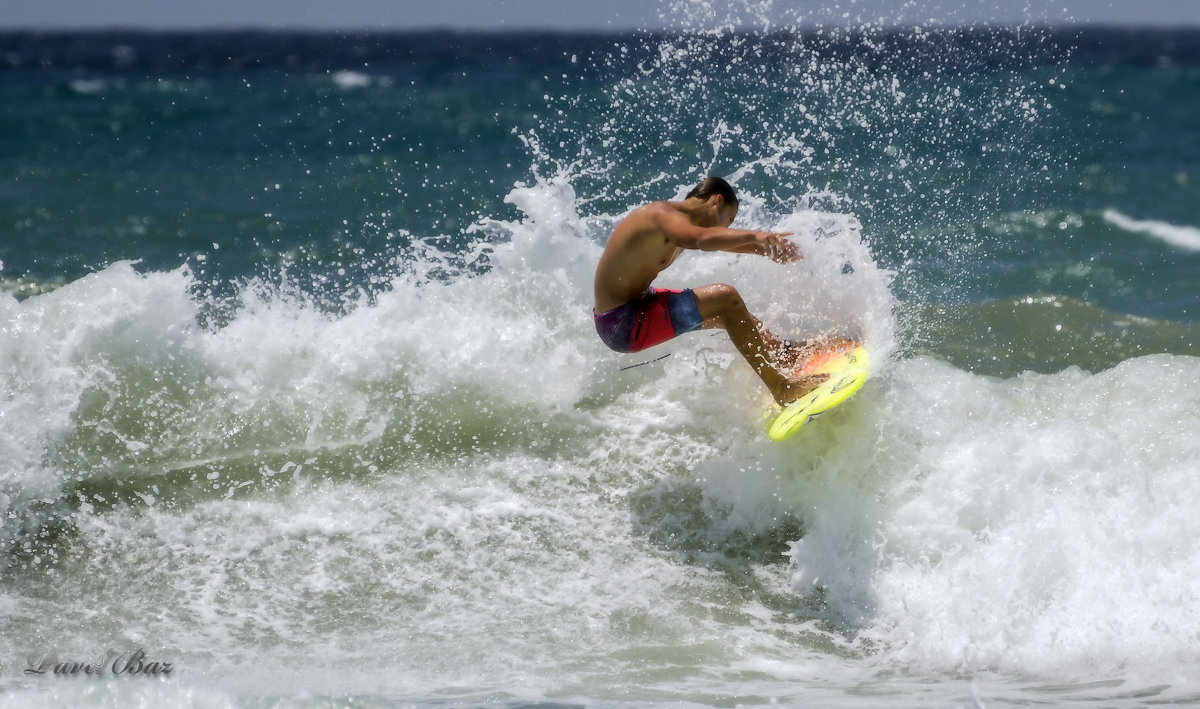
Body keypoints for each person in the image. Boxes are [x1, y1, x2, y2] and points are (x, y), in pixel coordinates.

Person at [593, 176, 826, 406]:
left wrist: (765, 251)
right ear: (716, 200)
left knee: (732, 315)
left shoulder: (677, 223)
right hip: (623, 322)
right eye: (729, 219)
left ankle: (785, 353)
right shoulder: (662, 215)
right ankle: (782, 388)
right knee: (726, 297)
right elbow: (703, 239)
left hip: (637, 304)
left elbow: (713, 240)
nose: (728, 228)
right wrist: (756, 235)